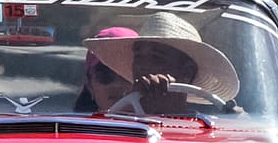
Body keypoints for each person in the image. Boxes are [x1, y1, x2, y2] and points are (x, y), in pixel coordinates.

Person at [82, 11, 239, 114]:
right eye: (138, 56)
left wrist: (170, 111)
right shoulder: (106, 124)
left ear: (187, 72)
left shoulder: (213, 129)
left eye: (156, 57)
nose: (141, 66)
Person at [74, 27, 137, 112]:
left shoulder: (158, 122)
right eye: (105, 75)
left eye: (126, 75)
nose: (117, 84)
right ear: (89, 84)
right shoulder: (71, 124)